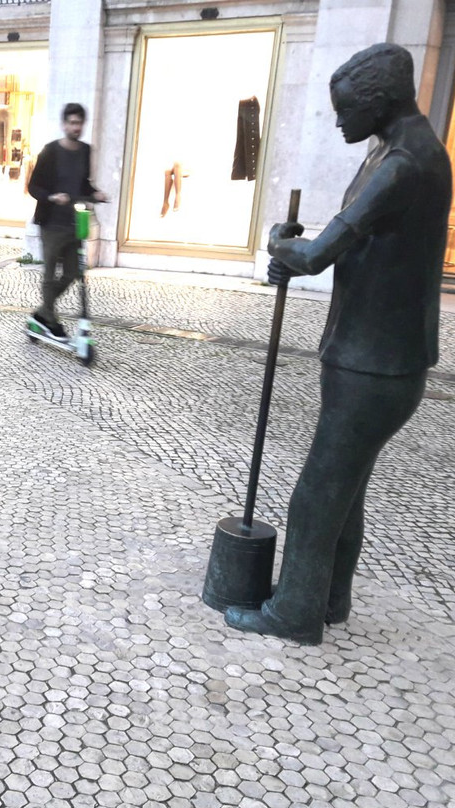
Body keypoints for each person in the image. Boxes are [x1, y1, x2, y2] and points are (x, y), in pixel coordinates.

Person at [224, 44, 451, 645]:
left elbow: (322, 252)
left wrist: (280, 245)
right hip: (373, 352)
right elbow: (354, 237)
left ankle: (294, 612)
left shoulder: (405, 162)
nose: (338, 121)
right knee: (346, 485)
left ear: (377, 103)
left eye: (345, 109)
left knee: (321, 489)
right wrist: (293, 257)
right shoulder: (395, 150)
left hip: (374, 360)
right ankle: (330, 597)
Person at [27, 103, 108, 339]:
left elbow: (83, 183)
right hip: (51, 222)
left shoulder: (85, 150)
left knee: (73, 272)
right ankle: (51, 321)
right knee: (49, 274)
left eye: (79, 123)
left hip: (75, 222)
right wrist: (52, 196)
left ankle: (42, 313)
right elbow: (33, 186)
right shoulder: (50, 151)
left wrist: (95, 193)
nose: (76, 127)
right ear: (64, 124)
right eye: (72, 123)